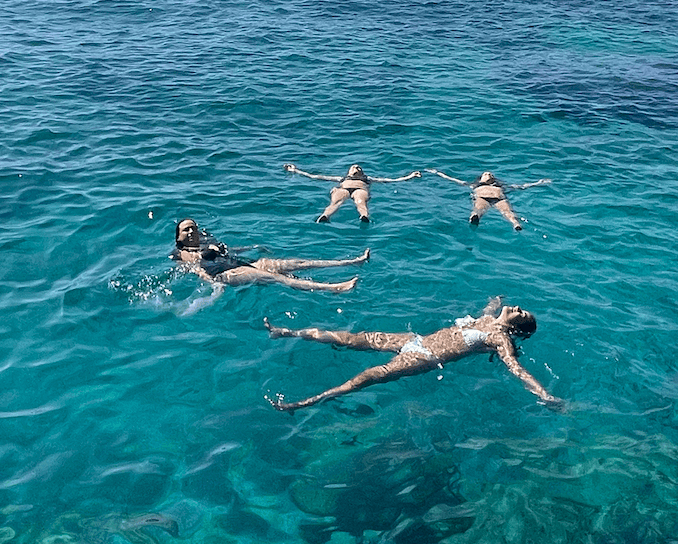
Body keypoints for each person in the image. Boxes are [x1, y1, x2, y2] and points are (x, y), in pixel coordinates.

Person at [264, 297, 561, 410]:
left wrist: (543, 394)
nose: (519, 309)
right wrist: (493, 303)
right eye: (522, 308)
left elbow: (516, 368)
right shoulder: (488, 319)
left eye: (522, 314)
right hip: (414, 340)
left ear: (517, 328)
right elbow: (489, 309)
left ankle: (304, 403)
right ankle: (286, 332)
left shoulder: (500, 339)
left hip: (424, 359)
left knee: (366, 377)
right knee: (349, 338)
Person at [173, 219, 368, 292]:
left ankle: (349, 262)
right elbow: (195, 269)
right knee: (277, 278)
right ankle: (333, 288)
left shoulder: (208, 243)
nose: (191, 232)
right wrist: (211, 283)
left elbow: (228, 251)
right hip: (226, 274)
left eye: (194, 228)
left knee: (295, 264)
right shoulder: (181, 253)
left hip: (244, 263)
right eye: (186, 230)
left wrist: (253, 247)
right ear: (179, 237)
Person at [283, 162, 421, 223]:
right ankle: (325, 216)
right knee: (335, 203)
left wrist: (410, 176)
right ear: (349, 172)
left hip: (360, 190)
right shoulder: (341, 179)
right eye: (354, 166)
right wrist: (295, 170)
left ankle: (364, 216)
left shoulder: (367, 179)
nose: (356, 167)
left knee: (361, 203)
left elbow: (391, 180)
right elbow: (314, 176)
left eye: (359, 167)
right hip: (343, 189)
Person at [426, 169, 550, 230]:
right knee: (478, 209)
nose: (489, 174)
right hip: (482, 198)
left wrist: (539, 182)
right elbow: (453, 180)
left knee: (508, 212)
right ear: (481, 178)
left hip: (500, 199)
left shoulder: (500, 186)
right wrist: (438, 173)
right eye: (486, 174)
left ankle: (515, 224)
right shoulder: (475, 185)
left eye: (490, 174)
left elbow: (522, 186)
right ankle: (475, 218)